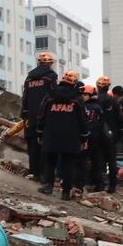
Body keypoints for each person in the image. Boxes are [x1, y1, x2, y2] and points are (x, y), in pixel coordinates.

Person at [36, 69, 88, 201]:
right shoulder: (77, 99)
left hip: (51, 134)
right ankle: (65, 193)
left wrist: (40, 133)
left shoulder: (50, 96)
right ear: (75, 83)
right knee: (68, 165)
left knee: (50, 161)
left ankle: (48, 186)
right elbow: (83, 120)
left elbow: (41, 115)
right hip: (71, 137)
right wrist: (84, 138)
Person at [20, 52, 58, 179]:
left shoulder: (29, 78)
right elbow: (54, 95)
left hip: (30, 116)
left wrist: (24, 113)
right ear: (50, 64)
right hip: (46, 116)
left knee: (32, 145)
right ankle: (44, 174)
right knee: (44, 144)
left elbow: (25, 97)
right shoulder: (51, 77)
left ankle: (34, 172)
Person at [81, 85, 113, 193]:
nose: (82, 96)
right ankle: (99, 185)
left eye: (84, 94)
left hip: (89, 138)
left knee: (83, 161)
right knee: (97, 162)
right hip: (98, 139)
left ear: (90, 95)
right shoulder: (98, 107)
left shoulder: (87, 108)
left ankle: (83, 184)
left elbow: (88, 124)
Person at [96, 76, 121, 192]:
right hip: (112, 135)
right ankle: (112, 186)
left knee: (99, 159)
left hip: (99, 134)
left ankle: (100, 185)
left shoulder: (96, 100)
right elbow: (119, 119)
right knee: (111, 160)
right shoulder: (114, 101)